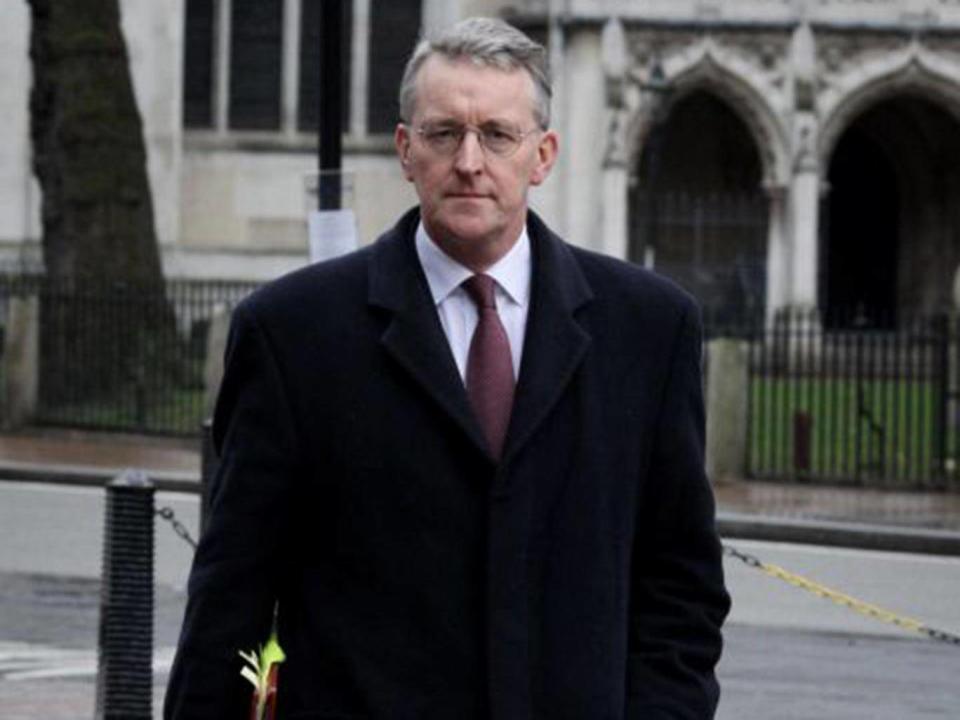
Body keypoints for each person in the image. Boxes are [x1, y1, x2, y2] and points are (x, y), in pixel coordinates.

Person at [165, 16, 729, 720]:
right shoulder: (293, 334)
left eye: (497, 134)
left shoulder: (648, 330)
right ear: (405, 150)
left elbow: (680, 589)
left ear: (543, 154)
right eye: (443, 134)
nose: (470, 161)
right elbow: (235, 602)